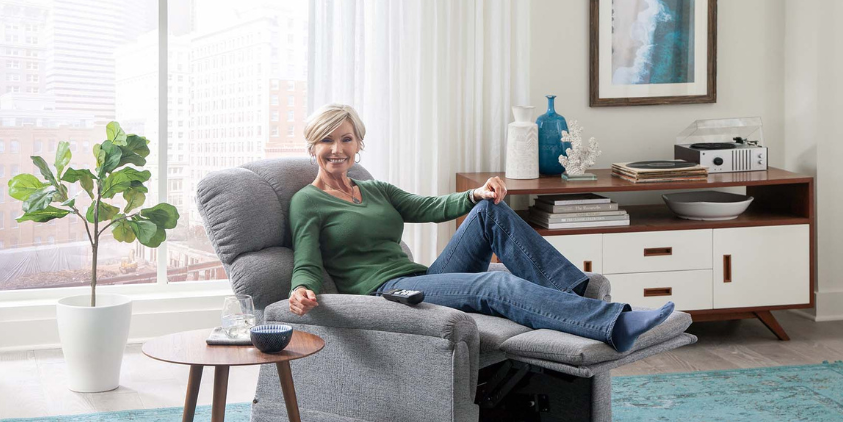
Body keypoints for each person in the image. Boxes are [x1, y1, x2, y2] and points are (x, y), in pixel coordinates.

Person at [287, 103, 675, 352]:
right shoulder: (308, 200)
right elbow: (306, 259)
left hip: (421, 279)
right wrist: (300, 289)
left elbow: (430, 206)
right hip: (385, 294)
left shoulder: (375, 189)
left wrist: (476, 194)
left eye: (345, 138)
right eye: (326, 139)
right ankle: (613, 322)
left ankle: (575, 298)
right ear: (312, 147)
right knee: (495, 283)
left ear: (358, 146)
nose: (336, 148)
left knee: (490, 210)